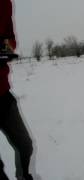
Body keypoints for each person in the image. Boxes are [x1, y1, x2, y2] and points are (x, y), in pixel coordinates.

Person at [0, 0, 34, 180]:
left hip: (2, 93)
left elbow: (10, 37)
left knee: (25, 145)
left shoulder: (5, 3)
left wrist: (4, 48)